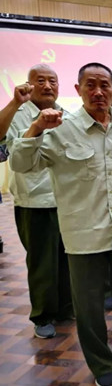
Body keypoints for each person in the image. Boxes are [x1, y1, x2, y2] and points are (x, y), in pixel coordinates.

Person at [9, 62, 112, 386]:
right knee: (88, 307)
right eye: (90, 85)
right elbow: (20, 163)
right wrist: (36, 129)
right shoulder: (60, 128)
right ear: (78, 90)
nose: (98, 92)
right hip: (83, 235)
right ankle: (101, 364)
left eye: (104, 85)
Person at [0, 64, 72, 339]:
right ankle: (42, 316)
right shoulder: (17, 113)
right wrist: (14, 102)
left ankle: (66, 308)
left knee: (67, 258)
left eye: (52, 80)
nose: (47, 86)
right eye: (40, 80)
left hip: (66, 200)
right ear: (29, 85)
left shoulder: (66, 114)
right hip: (34, 201)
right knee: (42, 263)